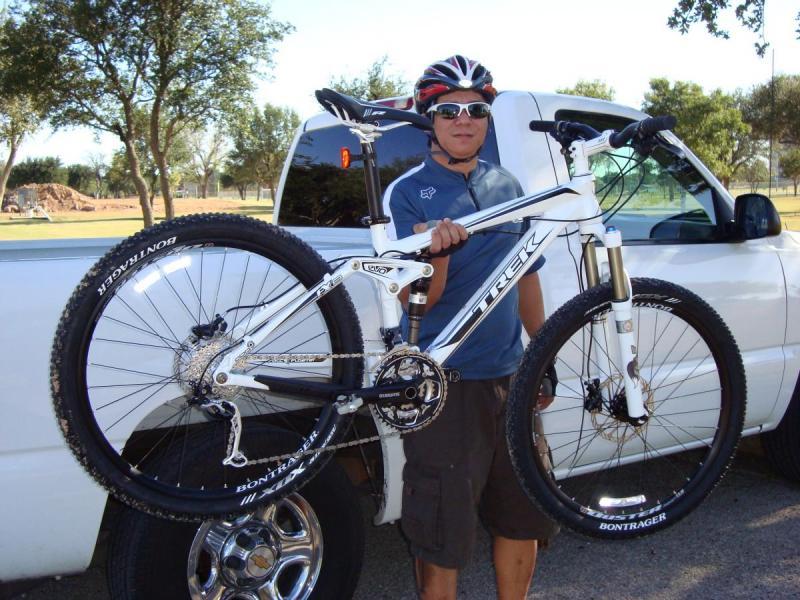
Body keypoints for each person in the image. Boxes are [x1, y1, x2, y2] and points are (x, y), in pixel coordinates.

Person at [383, 55, 559, 600]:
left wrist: (542, 358)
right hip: (448, 389)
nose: (464, 120)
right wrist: (437, 253)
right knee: (442, 534)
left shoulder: (508, 185)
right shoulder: (408, 193)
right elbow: (419, 301)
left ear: (487, 119)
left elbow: (525, 279)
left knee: (523, 519)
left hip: (511, 377)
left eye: (476, 110)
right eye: (450, 110)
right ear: (429, 120)